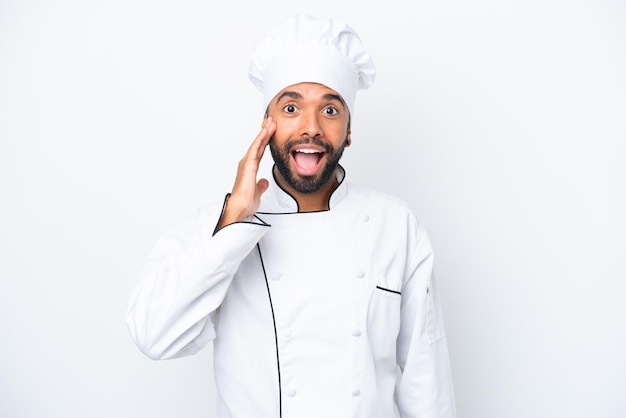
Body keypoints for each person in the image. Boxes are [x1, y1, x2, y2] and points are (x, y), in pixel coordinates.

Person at [126, 13, 456, 418]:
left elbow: (426, 383)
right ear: (267, 124)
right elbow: (153, 336)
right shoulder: (219, 227)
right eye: (291, 107)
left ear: (349, 129)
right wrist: (233, 224)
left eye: (330, 110)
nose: (311, 127)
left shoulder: (396, 225)